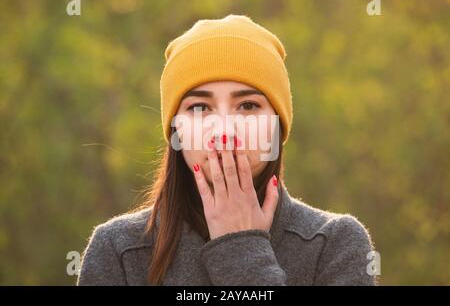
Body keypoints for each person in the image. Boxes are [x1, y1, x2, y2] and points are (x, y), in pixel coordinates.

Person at [77, 15, 376, 286]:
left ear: (277, 127)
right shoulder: (118, 250)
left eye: (248, 106)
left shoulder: (335, 244)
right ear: (176, 131)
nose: (224, 132)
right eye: (199, 107)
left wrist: (242, 250)